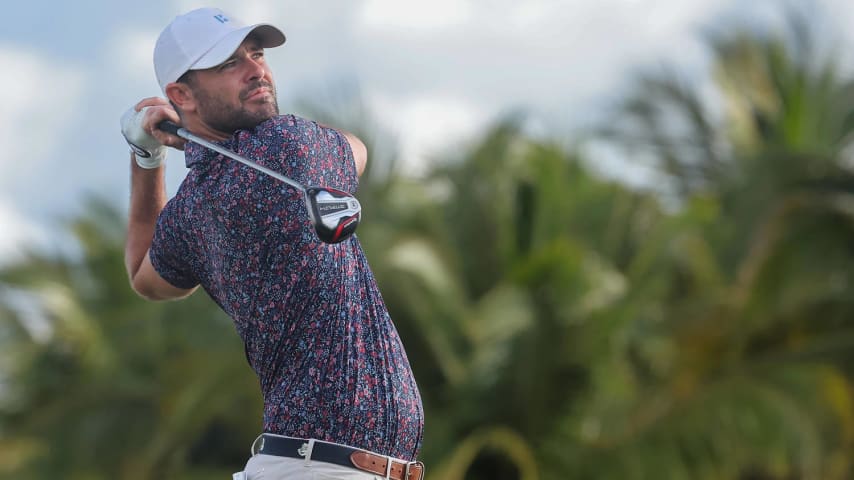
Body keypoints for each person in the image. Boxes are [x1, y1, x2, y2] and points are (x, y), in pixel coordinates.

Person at [120, 7, 424, 480]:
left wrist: (147, 156)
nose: (256, 70)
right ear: (182, 95)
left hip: (312, 464)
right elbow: (357, 150)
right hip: (321, 468)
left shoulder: (189, 210)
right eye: (228, 64)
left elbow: (144, 274)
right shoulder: (284, 146)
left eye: (256, 54)